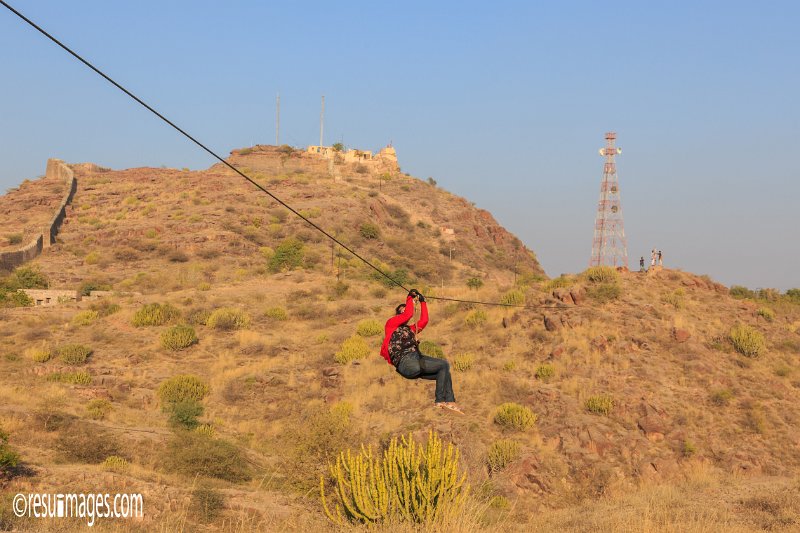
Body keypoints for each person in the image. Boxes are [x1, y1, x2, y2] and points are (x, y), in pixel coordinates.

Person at [380, 289, 462, 413]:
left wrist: (423, 302)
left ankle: (447, 402)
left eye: (407, 307)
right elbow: (408, 314)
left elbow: (424, 321)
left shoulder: (411, 329)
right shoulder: (391, 324)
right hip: (406, 361)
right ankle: (441, 400)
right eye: (403, 308)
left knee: (444, 369)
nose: (406, 309)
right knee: (443, 365)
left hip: (414, 363)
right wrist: (409, 298)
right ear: (398, 313)